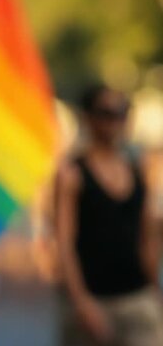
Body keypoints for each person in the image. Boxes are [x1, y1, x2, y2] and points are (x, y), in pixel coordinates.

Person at [55, 84, 163, 346]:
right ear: (88, 117)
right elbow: (65, 242)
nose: (115, 120)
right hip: (94, 300)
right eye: (107, 112)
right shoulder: (73, 173)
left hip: (137, 298)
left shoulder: (138, 169)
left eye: (122, 111)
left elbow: (146, 236)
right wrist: (80, 301)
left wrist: (154, 291)